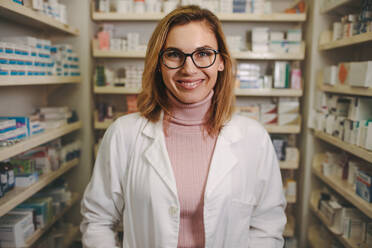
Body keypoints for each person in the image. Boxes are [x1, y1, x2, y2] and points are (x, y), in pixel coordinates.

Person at [81, 5, 286, 248]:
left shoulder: (254, 138)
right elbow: (98, 220)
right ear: (158, 63)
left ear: (221, 61)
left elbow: (267, 226)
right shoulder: (123, 134)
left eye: (203, 54)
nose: (189, 69)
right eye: (174, 54)